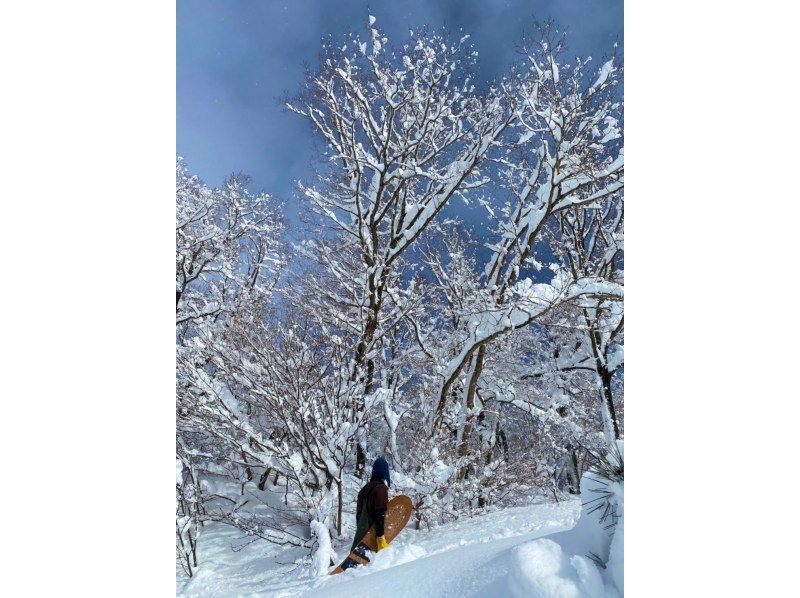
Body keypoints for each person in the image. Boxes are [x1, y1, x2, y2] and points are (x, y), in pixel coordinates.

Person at [348, 457, 391, 563]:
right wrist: (380, 537)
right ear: (385, 473)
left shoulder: (363, 489)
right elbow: (380, 514)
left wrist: (362, 536)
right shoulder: (381, 489)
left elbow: (358, 516)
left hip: (361, 536)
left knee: (355, 567)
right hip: (373, 538)